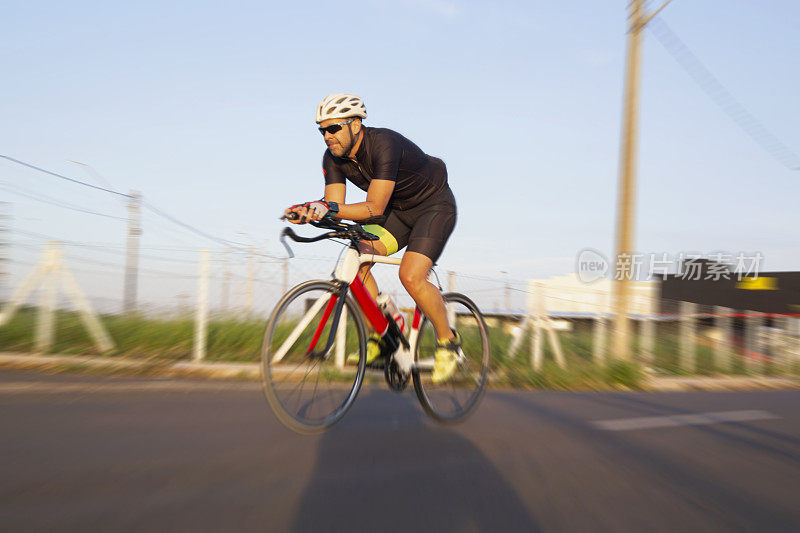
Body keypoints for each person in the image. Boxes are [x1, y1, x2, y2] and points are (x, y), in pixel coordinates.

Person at [284, 93, 459, 383]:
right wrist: (310, 210)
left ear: (355, 125)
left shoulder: (384, 144)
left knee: (411, 276)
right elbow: (334, 204)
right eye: (322, 131)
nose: (327, 137)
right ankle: (386, 330)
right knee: (358, 263)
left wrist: (328, 208)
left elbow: (374, 207)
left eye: (333, 128)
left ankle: (448, 340)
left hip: (433, 208)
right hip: (398, 214)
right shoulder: (333, 158)